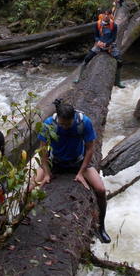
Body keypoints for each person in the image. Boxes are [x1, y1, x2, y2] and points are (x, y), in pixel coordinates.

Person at [33, 99, 111, 243]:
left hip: (77, 162)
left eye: (67, 124)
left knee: (100, 190)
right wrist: (47, 172)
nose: (64, 126)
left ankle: (101, 227)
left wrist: (81, 172)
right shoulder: (49, 124)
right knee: (30, 188)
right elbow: (43, 150)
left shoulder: (84, 123)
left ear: (73, 118)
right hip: (54, 161)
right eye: (62, 124)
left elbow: (89, 149)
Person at [74, 9, 125, 88]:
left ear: (110, 16)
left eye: (108, 14)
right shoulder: (97, 24)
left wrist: (106, 43)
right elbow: (96, 36)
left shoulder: (114, 25)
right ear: (102, 15)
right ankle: (79, 78)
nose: (106, 16)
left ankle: (117, 81)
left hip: (110, 45)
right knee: (87, 58)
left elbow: (113, 38)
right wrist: (98, 42)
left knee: (120, 61)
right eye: (105, 14)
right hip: (99, 45)